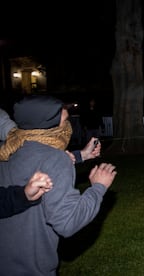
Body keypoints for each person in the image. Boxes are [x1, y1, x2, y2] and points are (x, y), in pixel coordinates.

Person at [0, 95, 117, 275]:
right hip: (32, 268)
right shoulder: (55, 159)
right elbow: (68, 222)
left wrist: (81, 155)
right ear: (50, 127)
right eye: (65, 121)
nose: (68, 126)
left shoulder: (9, 148)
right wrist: (98, 187)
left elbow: (36, 160)